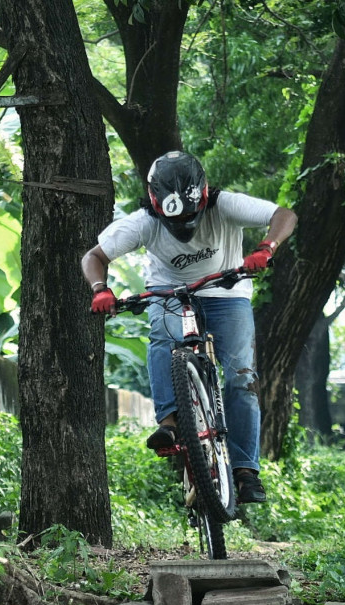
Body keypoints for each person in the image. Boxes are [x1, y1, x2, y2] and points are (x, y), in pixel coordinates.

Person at [81, 150, 297, 504]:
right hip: (170, 296)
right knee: (162, 342)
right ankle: (168, 425)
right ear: (156, 205)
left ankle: (245, 470)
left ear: (205, 196)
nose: (184, 229)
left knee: (242, 378)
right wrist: (100, 289)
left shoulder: (226, 204)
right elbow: (94, 256)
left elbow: (283, 215)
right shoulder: (142, 222)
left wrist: (267, 247)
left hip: (228, 293)